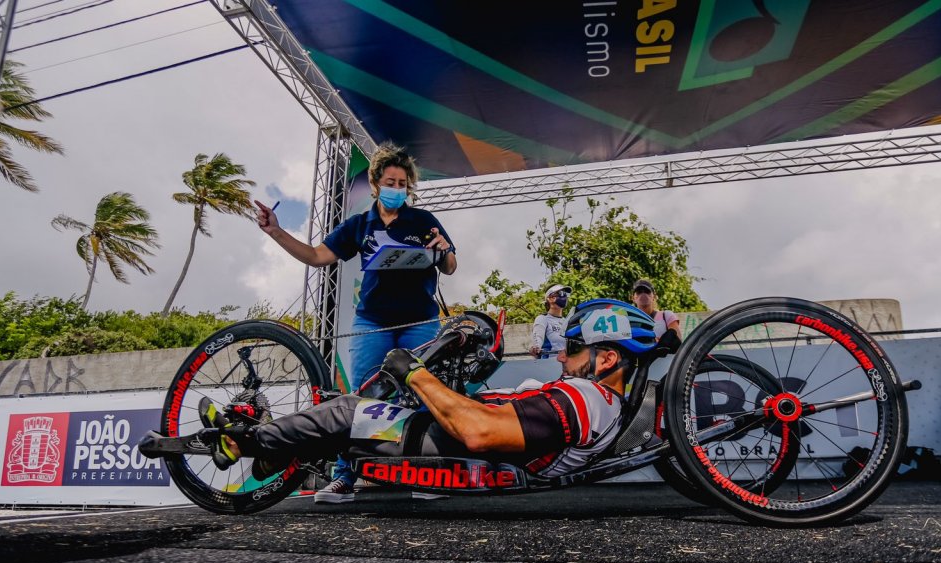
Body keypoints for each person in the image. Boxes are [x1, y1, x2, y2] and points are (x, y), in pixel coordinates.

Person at [142, 301, 659, 484]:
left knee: (348, 411)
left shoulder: (584, 398)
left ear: (607, 358)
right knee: (357, 417)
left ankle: (238, 442)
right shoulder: (600, 402)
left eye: (572, 348)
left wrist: (412, 371)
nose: (561, 356)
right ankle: (282, 452)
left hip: (455, 443)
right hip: (459, 436)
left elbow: (478, 431)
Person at [252, 142, 456, 503]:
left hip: (420, 322)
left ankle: (428, 475)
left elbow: (451, 265)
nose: (396, 189)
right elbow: (317, 256)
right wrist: (276, 232)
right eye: (390, 182)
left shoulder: (423, 220)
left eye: (403, 183)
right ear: (376, 183)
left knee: (426, 395)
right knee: (359, 399)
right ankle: (346, 476)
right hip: (372, 323)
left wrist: (442, 251)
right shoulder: (359, 225)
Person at [529, 284, 571, 358]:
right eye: (561, 293)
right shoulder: (542, 319)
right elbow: (537, 339)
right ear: (550, 298)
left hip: (566, 365)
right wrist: (535, 347)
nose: (565, 297)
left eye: (566, 294)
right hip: (549, 365)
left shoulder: (567, 321)